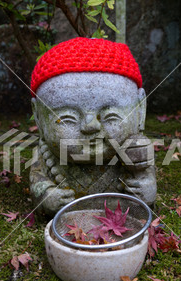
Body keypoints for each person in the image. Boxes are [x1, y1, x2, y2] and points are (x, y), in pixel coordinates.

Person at [29, 37, 157, 215]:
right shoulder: (45, 154)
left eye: (110, 115)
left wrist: (147, 187)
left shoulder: (135, 151)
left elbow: (146, 177)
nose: (90, 126)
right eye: (68, 118)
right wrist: (46, 196)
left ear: (140, 110)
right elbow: (38, 180)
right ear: (38, 116)